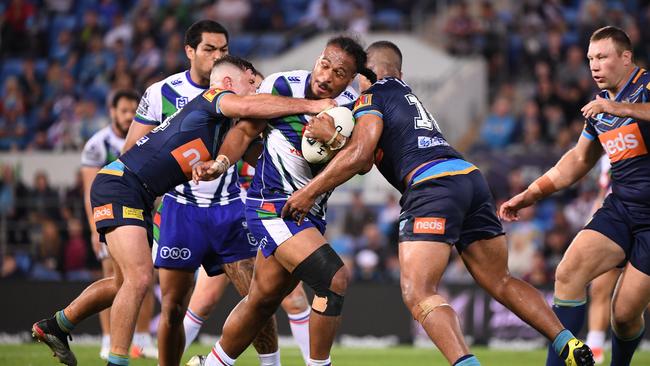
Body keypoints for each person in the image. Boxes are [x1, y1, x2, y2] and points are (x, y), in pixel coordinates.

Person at [281, 40, 594, 366]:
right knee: (500, 280)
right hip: (469, 177)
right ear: (400, 72)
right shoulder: (408, 97)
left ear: (365, 74)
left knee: (418, 292)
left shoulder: (372, 95)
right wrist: (336, 138)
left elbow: (360, 155)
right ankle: (568, 344)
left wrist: (309, 191)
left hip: (431, 185)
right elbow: (364, 159)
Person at [31, 55, 335, 366]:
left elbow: (268, 160)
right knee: (139, 279)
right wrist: (310, 105)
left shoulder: (228, 132)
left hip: (141, 195)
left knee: (126, 284)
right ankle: (117, 362)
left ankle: (57, 325)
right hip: (121, 185)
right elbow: (248, 107)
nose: (261, 95)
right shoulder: (215, 97)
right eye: (255, 86)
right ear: (230, 83)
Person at [123, 20, 312, 366]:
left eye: (223, 49)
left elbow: (256, 144)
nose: (218, 55)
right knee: (175, 306)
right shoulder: (161, 93)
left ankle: (270, 363)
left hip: (230, 209)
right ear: (190, 51)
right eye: (210, 48)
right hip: (180, 209)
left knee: (258, 297)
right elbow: (134, 152)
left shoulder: (243, 93)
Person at [188, 35, 362, 366]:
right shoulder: (282, 84)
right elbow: (243, 132)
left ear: (350, 79)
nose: (326, 77)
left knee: (262, 300)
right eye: (324, 64)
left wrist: (336, 138)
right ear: (317, 59)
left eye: (339, 73)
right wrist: (222, 162)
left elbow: (362, 161)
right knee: (335, 279)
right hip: (272, 208)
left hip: (310, 214)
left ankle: (210, 364)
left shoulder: (353, 108)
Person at [500, 26, 650, 366]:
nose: (594, 66)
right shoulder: (601, 109)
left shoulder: (643, 89)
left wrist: (623, 108)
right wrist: (527, 195)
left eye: (602, 57)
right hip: (622, 207)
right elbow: (575, 162)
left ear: (626, 57)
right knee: (568, 273)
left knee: (624, 315)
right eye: (590, 59)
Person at [178, 70, 313, 366]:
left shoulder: (278, 136)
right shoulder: (235, 131)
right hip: (236, 220)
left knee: (287, 297)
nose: (260, 94)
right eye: (254, 87)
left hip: (255, 222)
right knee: (207, 301)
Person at [80, 90, 157, 361]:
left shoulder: (146, 136)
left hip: (141, 211)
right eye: (123, 111)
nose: (127, 116)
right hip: (109, 212)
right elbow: (89, 188)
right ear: (112, 111)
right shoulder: (97, 143)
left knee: (144, 276)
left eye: (132, 111)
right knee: (114, 277)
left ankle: (143, 338)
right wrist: (93, 229)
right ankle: (108, 339)